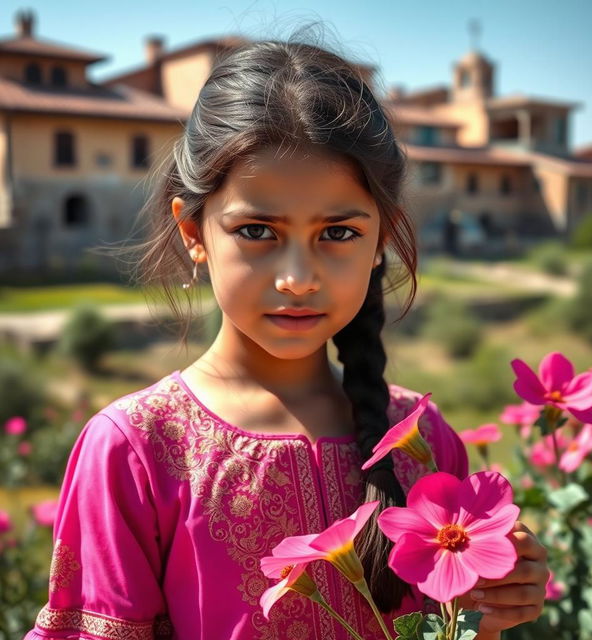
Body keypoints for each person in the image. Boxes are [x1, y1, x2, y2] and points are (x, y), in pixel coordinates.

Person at [23, 33, 548, 640]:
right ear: (193, 230)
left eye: (339, 233)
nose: (298, 279)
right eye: (256, 230)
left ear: (383, 237)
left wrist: (491, 611)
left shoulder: (423, 444)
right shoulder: (137, 450)